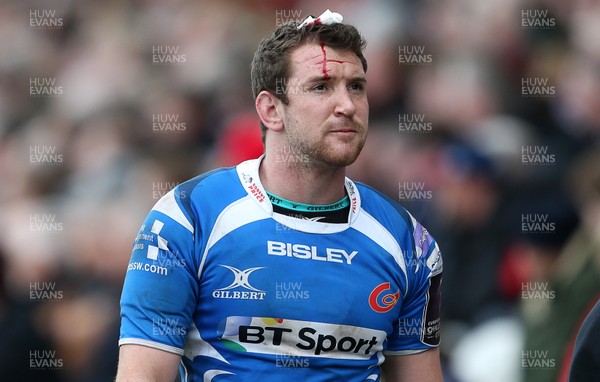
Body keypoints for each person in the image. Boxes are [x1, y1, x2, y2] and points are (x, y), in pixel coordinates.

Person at [116, 9, 443, 381]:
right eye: (321, 86)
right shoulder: (187, 218)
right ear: (271, 110)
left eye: (356, 86)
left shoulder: (411, 244)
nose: (348, 105)